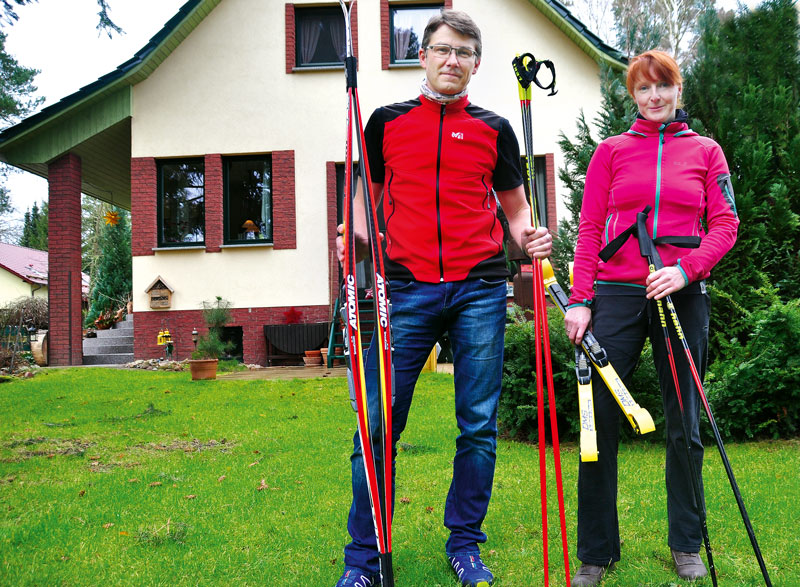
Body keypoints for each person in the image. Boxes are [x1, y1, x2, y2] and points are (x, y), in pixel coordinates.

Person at [333, 10, 552, 587]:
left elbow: (514, 208)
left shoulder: (494, 127)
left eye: (463, 52)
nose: (452, 60)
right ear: (422, 56)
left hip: (480, 286)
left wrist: (526, 235)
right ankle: (366, 560)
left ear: (476, 65)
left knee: (478, 425)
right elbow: (365, 194)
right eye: (442, 50)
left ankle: (466, 545)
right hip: (404, 288)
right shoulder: (384, 123)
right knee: (377, 425)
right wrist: (353, 228)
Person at [563, 50, 739, 586]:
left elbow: (726, 225)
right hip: (616, 296)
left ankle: (686, 544)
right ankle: (596, 553)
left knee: (684, 425)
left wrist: (685, 271)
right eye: (644, 89)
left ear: (677, 90)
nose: (654, 96)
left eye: (663, 86)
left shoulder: (706, 151)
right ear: (632, 96)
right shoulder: (611, 152)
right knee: (598, 426)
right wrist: (579, 298)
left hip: (682, 295)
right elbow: (591, 227)